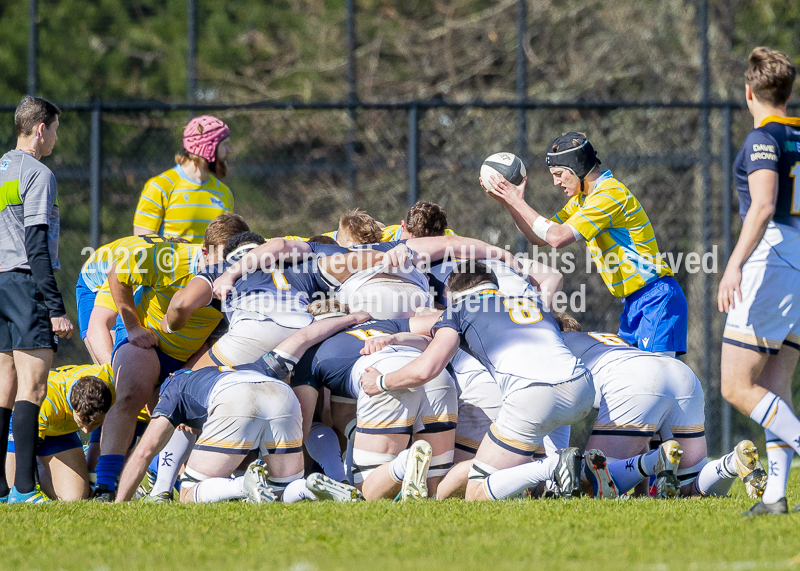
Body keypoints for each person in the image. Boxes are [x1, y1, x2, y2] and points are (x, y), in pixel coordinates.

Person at [360, 262, 594, 501]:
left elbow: (427, 368)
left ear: (451, 292)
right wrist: (399, 339)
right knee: (527, 466)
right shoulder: (531, 303)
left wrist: (380, 381)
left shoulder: (460, 309)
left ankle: (553, 467)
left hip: (533, 395)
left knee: (477, 492)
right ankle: (583, 470)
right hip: (581, 385)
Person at [115, 311, 369, 504]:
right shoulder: (255, 364)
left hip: (234, 398)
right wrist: (355, 317)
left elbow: (144, 452)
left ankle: (240, 487)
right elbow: (304, 336)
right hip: (279, 393)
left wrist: (119, 503)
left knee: (189, 492)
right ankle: (309, 487)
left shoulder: (174, 387)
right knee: (281, 491)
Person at [485, 133, 687, 356]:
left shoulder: (609, 194)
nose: (556, 182)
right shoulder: (581, 201)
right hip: (634, 302)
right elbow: (539, 238)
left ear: (577, 168)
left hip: (656, 297)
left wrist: (517, 202)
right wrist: (509, 204)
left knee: (658, 380)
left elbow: (557, 238)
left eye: (559, 174)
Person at [92, 214, 246, 501]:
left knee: (199, 408)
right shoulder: (170, 258)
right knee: (131, 391)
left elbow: (222, 337)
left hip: (196, 356)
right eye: (223, 260)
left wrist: (188, 371)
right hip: (150, 346)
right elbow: (117, 273)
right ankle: (105, 484)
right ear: (204, 252)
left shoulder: (244, 276)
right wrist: (134, 327)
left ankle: (175, 481)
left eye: (234, 262)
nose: (228, 270)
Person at [554, 313, 767, 500]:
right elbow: (639, 440)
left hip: (634, 379)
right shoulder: (597, 338)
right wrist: (642, 494)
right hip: (680, 374)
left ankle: (656, 460)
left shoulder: (554, 344)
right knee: (689, 488)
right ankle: (731, 464)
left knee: (588, 479)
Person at [717, 47, 800, 516]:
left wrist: (733, 265)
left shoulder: (762, 139)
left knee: (735, 385)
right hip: (799, 260)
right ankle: (775, 497)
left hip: (773, 261)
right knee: (773, 382)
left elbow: (765, 205)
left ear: (749, 92)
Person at [0, 95, 73, 504]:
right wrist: (55, 307)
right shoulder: (38, 174)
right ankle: (25, 489)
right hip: (25, 285)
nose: (56, 139)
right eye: (56, 130)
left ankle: (0, 488)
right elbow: (36, 243)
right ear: (41, 128)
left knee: (3, 387)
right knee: (34, 386)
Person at [6, 364, 113, 501]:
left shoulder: (109, 381)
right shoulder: (46, 402)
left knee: (75, 497)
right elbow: (28, 451)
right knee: (11, 489)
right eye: (81, 421)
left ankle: (73, 461)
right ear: (72, 406)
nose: (86, 429)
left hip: (59, 431)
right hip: (21, 426)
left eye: (95, 423)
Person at [78, 235, 188, 364]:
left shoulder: (183, 265)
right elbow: (97, 327)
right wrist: (116, 377)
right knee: (109, 346)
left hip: (136, 256)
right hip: (94, 281)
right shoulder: (133, 270)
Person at [133, 115, 233, 243]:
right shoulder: (160, 187)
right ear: (208, 147)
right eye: (225, 145)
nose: (229, 150)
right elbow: (141, 245)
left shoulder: (225, 193)